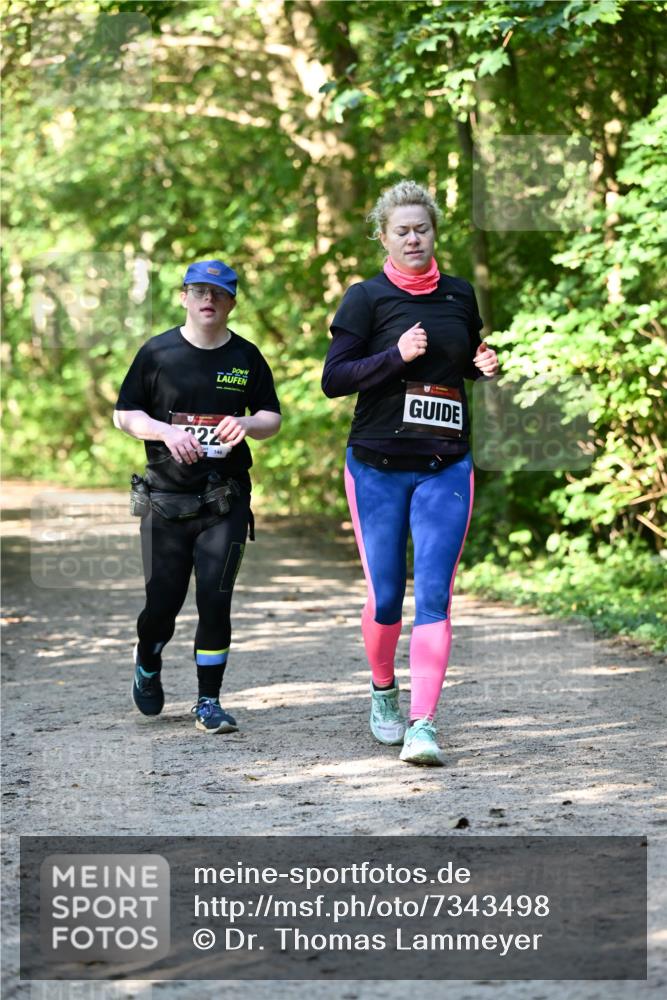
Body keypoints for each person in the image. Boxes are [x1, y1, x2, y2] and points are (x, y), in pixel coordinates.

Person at [322, 181, 498, 766]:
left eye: (422, 228)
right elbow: (335, 379)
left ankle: (423, 724)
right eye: (402, 230)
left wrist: (485, 366)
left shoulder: (459, 295)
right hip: (375, 465)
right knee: (386, 595)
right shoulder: (365, 299)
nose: (413, 238)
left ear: (434, 233)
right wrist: (395, 355)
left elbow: (464, 363)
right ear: (384, 236)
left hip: (445, 462)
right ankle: (382, 695)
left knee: (437, 595)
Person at [114, 259, 281, 734]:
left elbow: (272, 417)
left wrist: (246, 423)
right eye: (200, 291)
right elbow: (124, 414)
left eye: (220, 293)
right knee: (162, 605)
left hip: (224, 500)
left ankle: (209, 701)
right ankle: (148, 657)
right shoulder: (157, 353)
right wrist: (165, 431)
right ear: (184, 296)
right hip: (165, 501)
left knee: (215, 598)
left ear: (231, 302)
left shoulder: (246, 357)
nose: (209, 299)